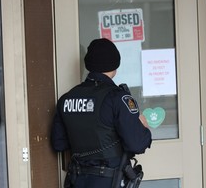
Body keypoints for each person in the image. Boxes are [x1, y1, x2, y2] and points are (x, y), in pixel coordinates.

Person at [51, 38, 152, 188]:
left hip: (77, 180)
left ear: (89, 65)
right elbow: (137, 144)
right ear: (115, 65)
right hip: (109, 181)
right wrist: (144, 129)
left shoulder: (66, 99)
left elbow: (59, 143)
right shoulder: (117, 98)